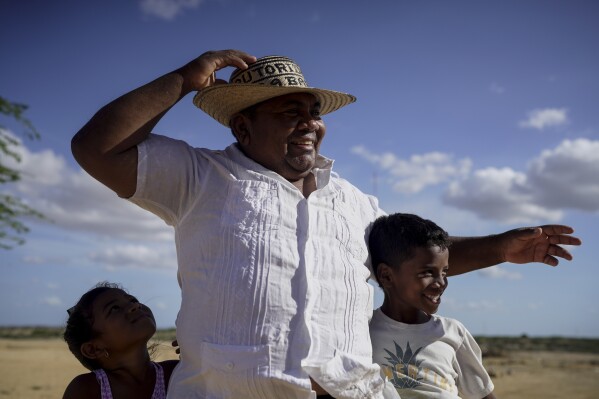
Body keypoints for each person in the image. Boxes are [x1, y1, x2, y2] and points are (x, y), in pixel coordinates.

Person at [70, 49, 581, 398]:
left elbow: (412, 261)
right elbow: (95, 147)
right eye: (290, 112)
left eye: (313, 112)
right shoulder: (200, 177)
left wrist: (502, 247)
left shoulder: (355, 203)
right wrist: (185, 79)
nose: (310, 123)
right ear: (243, 127)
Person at [368, 213, 497, 398]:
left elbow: (483, 395)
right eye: (427, 272)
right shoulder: (364, 331)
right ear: (387, 276)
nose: (441, 283)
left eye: (444, 272)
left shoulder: (453, 332)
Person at [62, 282, 178, 399]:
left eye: (132, 300)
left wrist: (195, 357)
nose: (135, 306)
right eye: (114, 308)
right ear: (93, 349)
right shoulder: (86, 389)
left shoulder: (175, 373)